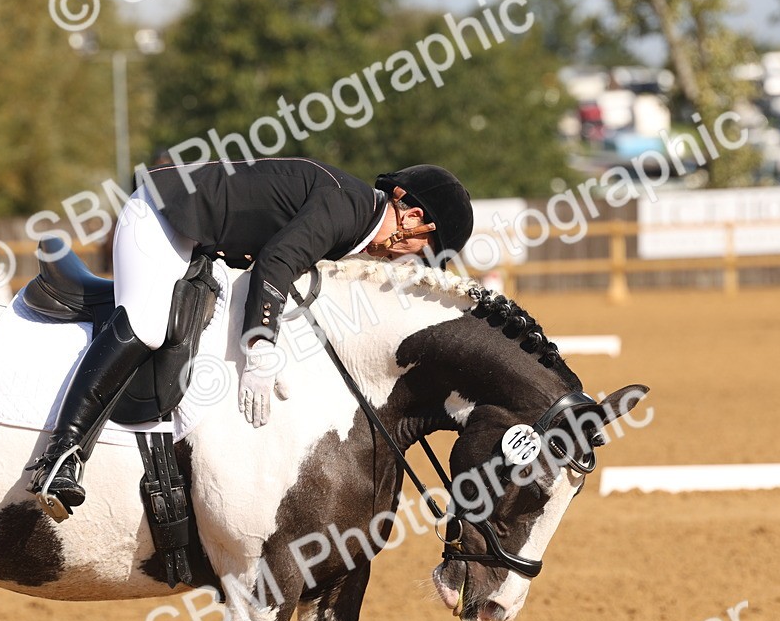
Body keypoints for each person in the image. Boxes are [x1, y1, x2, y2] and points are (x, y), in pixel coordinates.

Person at [28, 158, 473, 516]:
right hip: (162, 217)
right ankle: (61, 454)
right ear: (412, 216)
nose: (407, 260)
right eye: (420, 249)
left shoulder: (356, 215)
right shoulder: (347, 209)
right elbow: (276, 262)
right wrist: (260, 348)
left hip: (202, 239)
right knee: (146, 323)